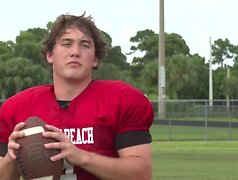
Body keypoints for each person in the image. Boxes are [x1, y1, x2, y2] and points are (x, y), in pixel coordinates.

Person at [0, 13, 154, 180]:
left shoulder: (122, 100)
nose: (75, 52)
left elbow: (141, 174)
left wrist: (81, 157)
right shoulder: (17, 108)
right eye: (66, 44)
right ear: (50, 54)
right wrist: (11, 158)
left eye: (85, 45)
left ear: (95, 59)